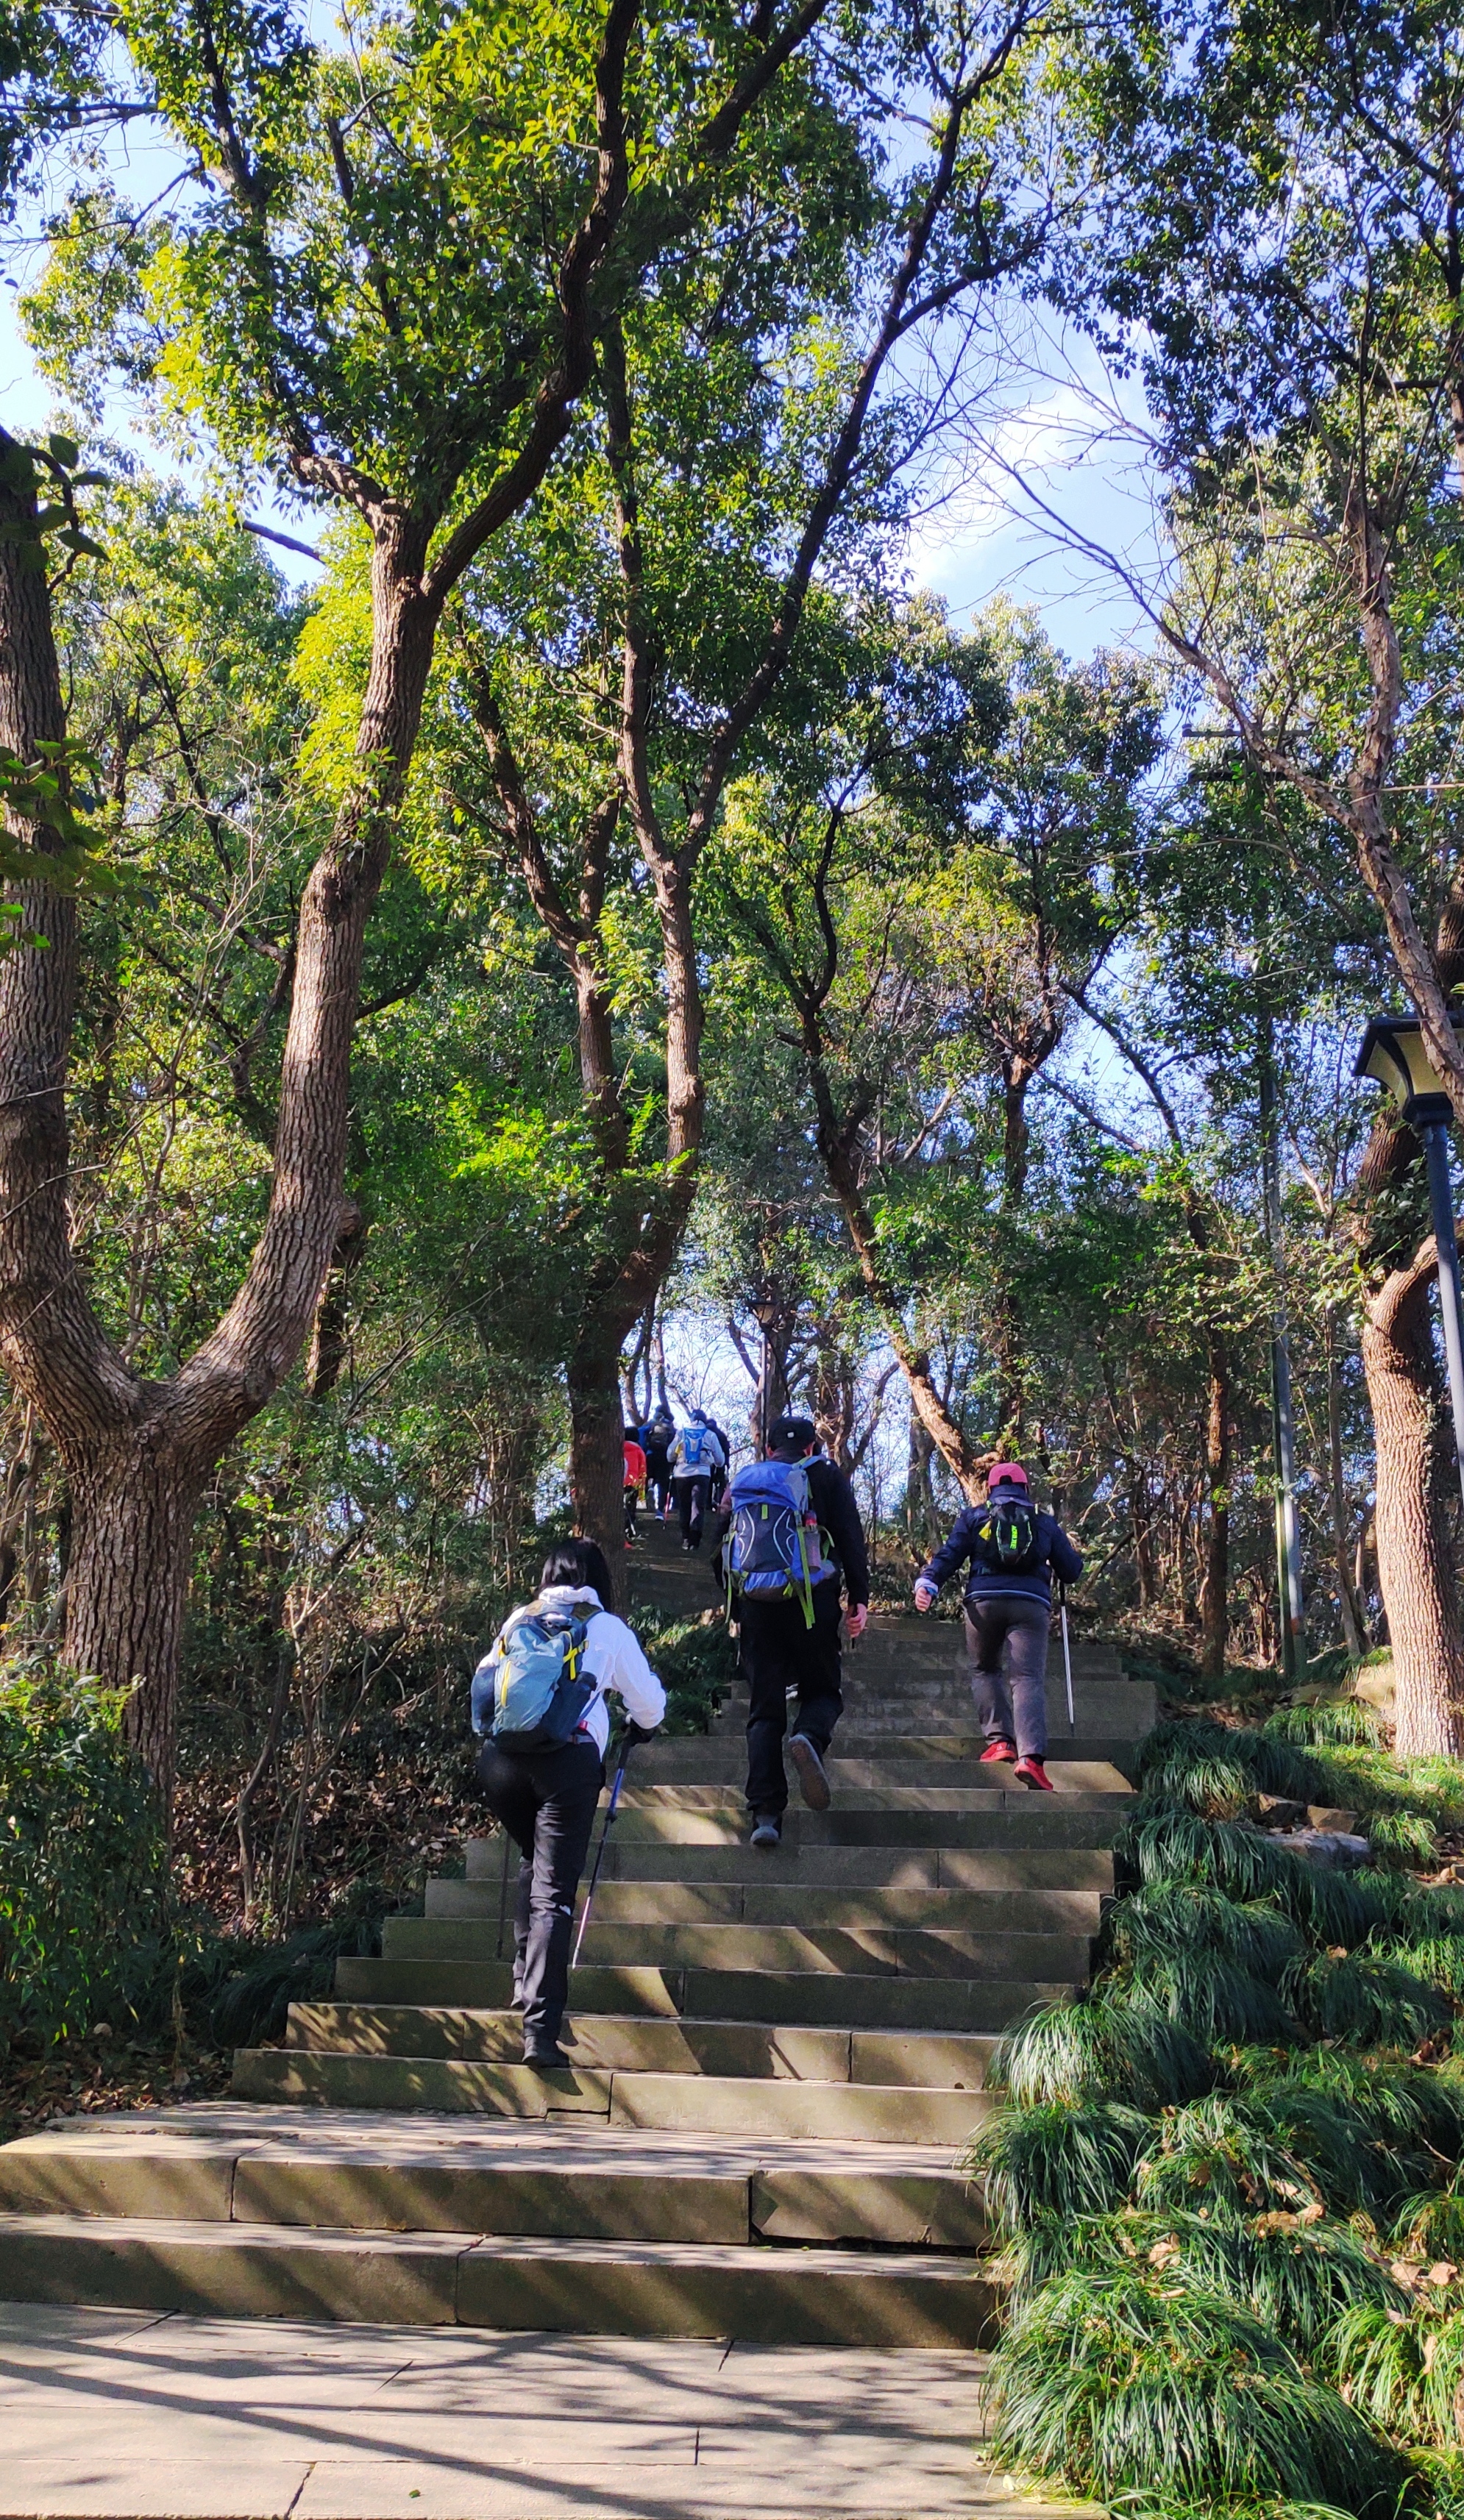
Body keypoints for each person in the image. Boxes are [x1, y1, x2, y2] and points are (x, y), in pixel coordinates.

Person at [472, 1538, 665, 2067]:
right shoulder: (605, 1627)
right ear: (598, 1579)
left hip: (500, 1764)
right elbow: (650, 1705)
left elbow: (487, 1688)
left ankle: (524, 1978)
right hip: (567, 1767)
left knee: (535, 1861)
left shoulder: (520, 1618)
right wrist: (640, 1724)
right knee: (553, 1896)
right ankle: (540, 2032)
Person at [715, 1413, 869, 1847]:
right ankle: (809, 1736)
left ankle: (766, 1816)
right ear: (810, 1448)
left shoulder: (745, 1482)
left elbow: (721, 1547)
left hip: (757, 1608)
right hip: (812, 1605)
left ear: (768, 1450)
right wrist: (859, 1598)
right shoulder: (826, 1475)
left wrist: (738, 1606)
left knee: (764, 1710)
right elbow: (850, 1537)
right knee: (823, 1691)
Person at [914, 1462, 1083, 1793]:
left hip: (983, 1602)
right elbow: (1072, 1571)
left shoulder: (975, 1517)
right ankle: (1031, 1758)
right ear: (1026, 1488)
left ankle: (1000, 1742)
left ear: (990, 1490)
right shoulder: (1043, 1521)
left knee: (985, 1669)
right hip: (1030, 1605)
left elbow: (950, 1555)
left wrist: (928, 1583)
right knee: (1027, 1678)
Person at [667, 1409, 726, 1552]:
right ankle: (695, 1541)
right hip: (702, 1474)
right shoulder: (710, 1434)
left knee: (684, 1505)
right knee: (698, 1506)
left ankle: (685, 1538)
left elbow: (669, 1456)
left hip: (681, 1474)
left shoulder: (682, 1433)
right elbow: (720, 1460)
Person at [643, 1403, 675, 1515]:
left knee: (649, 1477)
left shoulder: (651, 1423)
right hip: (664, 1456)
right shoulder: (670, 1425)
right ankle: (661, 1509)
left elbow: (642, 1435)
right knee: (663, 1483)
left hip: (650, 1454)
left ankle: (650, 1490)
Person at [622, 1427, 647, 1542]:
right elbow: (643, 1472)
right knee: (630, 1509)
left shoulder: (617, 1449)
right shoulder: (639, 1451)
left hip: (618, 1483)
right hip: (633, 1484)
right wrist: (642, 1495)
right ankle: (629, 1535)